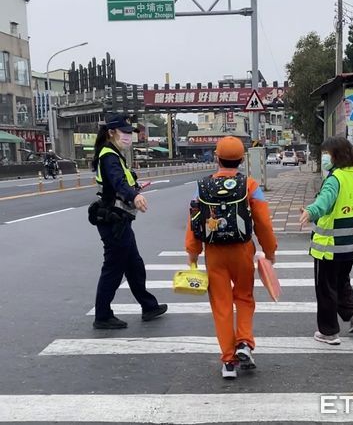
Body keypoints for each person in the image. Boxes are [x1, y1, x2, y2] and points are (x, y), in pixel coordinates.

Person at [185, 136, 277, 379]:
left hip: (214, 253)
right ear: (241, 160)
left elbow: (194, 221)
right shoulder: (250, 185)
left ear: (217, 158)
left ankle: (228, 360)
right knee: (244, 297)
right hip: (242, 250)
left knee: (222, 305)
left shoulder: (201, 187)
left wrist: (193, 253)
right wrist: (270, 251)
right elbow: (263, 223)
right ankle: (245, 342)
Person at [90, 113, 167, 330]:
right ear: (111, 133)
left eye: (129, 133)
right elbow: (116, 182)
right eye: (124, 132)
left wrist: (136, 188)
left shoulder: (114, 154)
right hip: (112, 221)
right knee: (113, 268)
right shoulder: (109, 156)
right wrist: (134, 195)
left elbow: (121, 182)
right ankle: (103, 316)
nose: (128, 137)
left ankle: (149, 306)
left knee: (134, 265)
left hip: (120, 220)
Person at [300, 136, 353, 345]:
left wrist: (311, 211)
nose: (324, 157)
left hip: (330, 246)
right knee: (341, 280)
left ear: (336, 155)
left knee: (326, 288)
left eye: (326, 153)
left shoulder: (335, 179)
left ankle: (328, 332)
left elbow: (324, 201)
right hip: (352, 244)